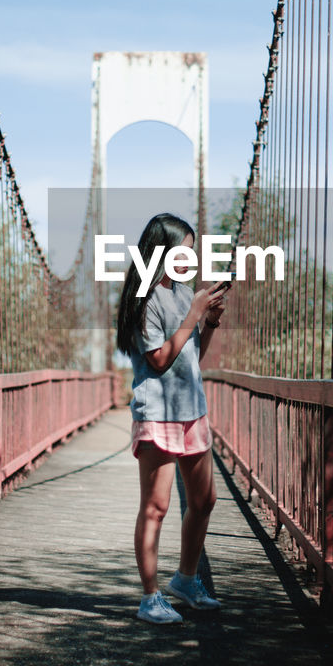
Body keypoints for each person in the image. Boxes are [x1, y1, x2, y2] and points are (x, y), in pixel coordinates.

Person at [116, 213, 228, 624]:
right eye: (184, 252)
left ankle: (185, 580)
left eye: (192, 253)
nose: (190, 260)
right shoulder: (144, 300)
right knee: (157, 506)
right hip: (159, 413)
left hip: (191, 410)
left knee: (204, 500)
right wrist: (195, 312)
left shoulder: (183, 295)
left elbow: (190, 356)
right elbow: (160, 359)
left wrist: (208, 320)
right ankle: (150, 598)